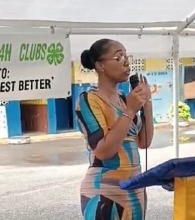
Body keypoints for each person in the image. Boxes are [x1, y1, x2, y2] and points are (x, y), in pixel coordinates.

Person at [75, 38, 154, 220]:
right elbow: (103, 151)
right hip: (104, 191)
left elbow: (144, 141)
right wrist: (130, 110)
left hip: (134, 189)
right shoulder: (89, 100)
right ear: (101, 66)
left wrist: (147, 104)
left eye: (127, 56)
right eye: (119, 57)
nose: (126, 62)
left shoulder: (125, 99)